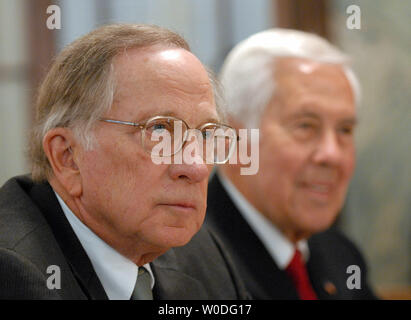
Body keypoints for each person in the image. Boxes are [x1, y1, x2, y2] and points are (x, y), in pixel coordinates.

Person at [0, 24, 248, 300]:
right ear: (68, 157)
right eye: (160, 130)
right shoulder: (13, 273)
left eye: (205, 134)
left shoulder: (202, 255)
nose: (197, 168)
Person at [206, 29, 377, 299]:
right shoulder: (187, 264)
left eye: (345, 130)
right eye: (306, 126)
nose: (332, 154)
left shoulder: (341, 255)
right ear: (234, 140)